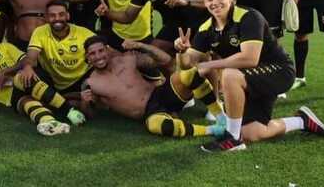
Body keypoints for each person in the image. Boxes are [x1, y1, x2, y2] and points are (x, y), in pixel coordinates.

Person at [176, 0, 324, 152]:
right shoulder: (206, 29)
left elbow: (249, 58)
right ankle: (302, 121)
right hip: (250, 78)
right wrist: (182, 51)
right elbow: (187, 64)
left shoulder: (249, 17)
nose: (215, 3)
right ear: (205, 3)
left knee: (229, 74)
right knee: (252, 133)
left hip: (279, 71)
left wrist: (210, 65)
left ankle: (233, 139)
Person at [82, 35, 224, 140]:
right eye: (93, 54)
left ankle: (221, 118)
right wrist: (85, 102)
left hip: (161, 94)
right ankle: (212, 130)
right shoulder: (91, 83)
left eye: (101, 51)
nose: (98, 56)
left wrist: (140, 46)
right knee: (156, 126)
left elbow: (165, 60)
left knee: (188, 74)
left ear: (107, 50)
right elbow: (90, 115)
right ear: (87, 57)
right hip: (149, 112)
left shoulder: (126, 59)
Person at [0, 27, 72, 136]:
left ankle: (70, 111)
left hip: (26, 81)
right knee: (26, 103)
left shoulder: (4, 47)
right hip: (10, 97)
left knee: (20, 78)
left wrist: (4, 72)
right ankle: (49, 122)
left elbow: (25, 60)